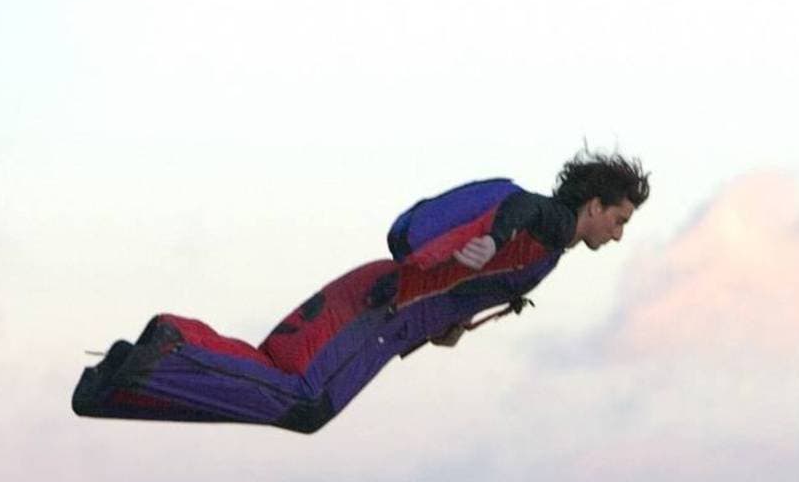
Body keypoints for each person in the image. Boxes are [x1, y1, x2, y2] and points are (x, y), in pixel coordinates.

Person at [72, 151, 647, 432]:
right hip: (380, 309)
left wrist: (447, 323)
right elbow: (516, 205)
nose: (618, 234)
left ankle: (125, 382)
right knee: (305, 403)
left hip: (384, 305)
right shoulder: (547, 223)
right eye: (618, 220)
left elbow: (466, 280)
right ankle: (167, 352)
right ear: (592, 206)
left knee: (280, 379)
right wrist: (493, 238)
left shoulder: (547, 248)